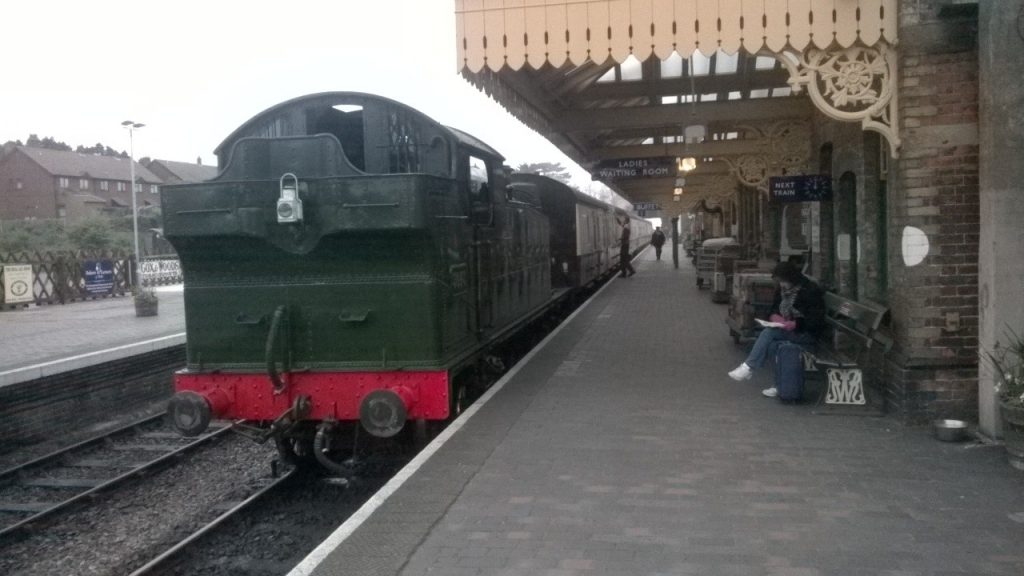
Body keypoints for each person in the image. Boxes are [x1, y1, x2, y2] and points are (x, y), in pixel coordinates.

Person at [727, 261, 825, 397]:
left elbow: (815, 320)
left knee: (769, 332)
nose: (781, 285)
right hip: (789, 331)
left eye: (783, 281)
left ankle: (749, 367)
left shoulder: (810, 291)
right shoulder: (782, 290)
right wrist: (774, 317)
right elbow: (773, 308)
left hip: (806, 333)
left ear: (791, 278)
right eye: (779, 282)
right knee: (773, 345)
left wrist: (795, 324)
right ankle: (778, 384)